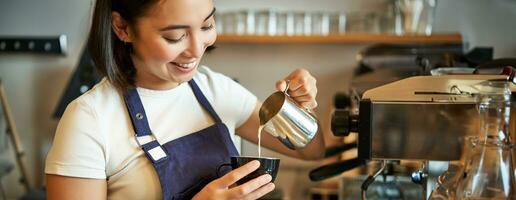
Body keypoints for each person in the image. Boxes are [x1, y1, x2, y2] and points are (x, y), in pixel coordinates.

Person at [45, 0, 325, 199]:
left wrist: (299, 107)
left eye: (207, 26)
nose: (196, 50)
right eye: (175, 36)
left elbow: (311, 151)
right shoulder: (90, 118)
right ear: (122, 28)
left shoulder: (215, 89)